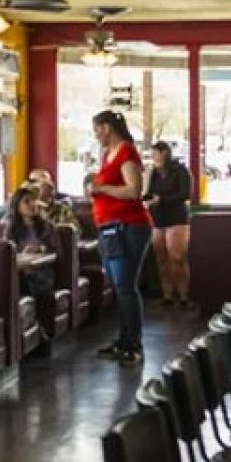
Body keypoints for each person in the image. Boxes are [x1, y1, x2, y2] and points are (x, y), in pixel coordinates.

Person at [84, 109, 153, 363]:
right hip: (110, 227)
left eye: (97, 130)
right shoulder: (106, 155)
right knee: (117, 284)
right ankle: (124, 339)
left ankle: (133, 345)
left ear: (107, 128)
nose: (96, 135)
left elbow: (134, 191)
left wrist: (101, 188)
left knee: (125, 285)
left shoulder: (126, 152)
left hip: (129, 226)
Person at [5, 185, 59, 357]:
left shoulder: (47, 227)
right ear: (17, 207)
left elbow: (58, 253)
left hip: (43, 272)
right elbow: (6, 253)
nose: (32, 204)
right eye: (26, 202)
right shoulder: (11, 230)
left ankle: (37, 337)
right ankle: (34, 337)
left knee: (25, 283)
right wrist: (23, 253)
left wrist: (41, 249)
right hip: (21, 272)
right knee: (20, 281)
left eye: (33, 200)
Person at [143, 141, 194, 307]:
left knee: (176, 257)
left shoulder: (180, 170)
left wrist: (162, 200)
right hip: (158, 219)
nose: (153, 157)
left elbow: (185, 194)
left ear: (164, 153)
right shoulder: (154, 173)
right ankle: (167, 295)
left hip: (176, 218)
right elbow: (148, 193)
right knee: (161, 258)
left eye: (155, 153)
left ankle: (184, 296)